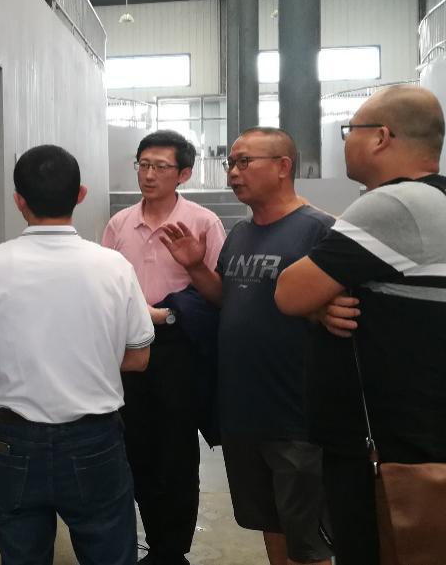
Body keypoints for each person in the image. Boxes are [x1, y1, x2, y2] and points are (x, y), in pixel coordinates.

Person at [275, 85, 446, 564]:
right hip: (410, 433)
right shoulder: (437, 200)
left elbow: (289, 292)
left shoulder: (392, 205)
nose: (347, 140)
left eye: (351, 130)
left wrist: (314, 300)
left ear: (381, 137)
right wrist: (322, 305)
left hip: (386, 446)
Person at [0, 144, 154, 565]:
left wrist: (7, 341)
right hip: (95, 440)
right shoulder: (113, 266)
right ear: (81, 194)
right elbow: (138, 357)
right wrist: (85, 350)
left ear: (18, 200)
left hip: (16, 441)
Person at [159, 128, 333, 565]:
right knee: (269, 522)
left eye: (245, 162)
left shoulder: (319, 230)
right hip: (243, 414)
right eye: (230, 163)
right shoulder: (240, 234)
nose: (233, 173)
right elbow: (226, 299)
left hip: (296, 415)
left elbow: (341, 309)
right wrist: (196, 267)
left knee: (308, 538)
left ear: (283, 166)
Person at [101, 130, 225, 565]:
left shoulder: (203, 222)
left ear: (183, 174)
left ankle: (171, 551)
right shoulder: (119, 225)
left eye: (160, 167)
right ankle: (151, 537)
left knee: (176, 450)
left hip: (177, 346)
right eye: (143, 164)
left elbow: (219, 296)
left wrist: (194, 264)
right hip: (127, 343)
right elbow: (104, 287)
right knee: (133, 444)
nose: (149, 175)